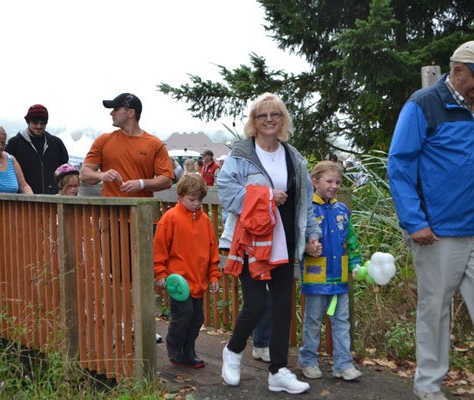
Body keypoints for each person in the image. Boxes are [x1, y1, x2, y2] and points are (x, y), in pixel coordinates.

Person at [388, 40, 474, 400]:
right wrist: (413, 221)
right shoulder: (424, 105)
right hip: (437, 231)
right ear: (456, 71)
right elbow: (400, 165)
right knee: (435, 310)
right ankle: (429, 388)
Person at [217, 92, 321, 394]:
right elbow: (225, 191)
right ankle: (233, 351)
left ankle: (278, 370)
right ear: (254, 121)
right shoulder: (241, 154)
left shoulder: (294, 157)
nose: (269, 120)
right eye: (262, 115)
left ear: (283, 118)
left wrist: (312, 235)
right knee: (256, 304)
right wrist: (264, 196)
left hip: (285, 239)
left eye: (275, 114)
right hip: (251, 240)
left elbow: (304, 203)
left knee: (282, 308)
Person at [298, 160, 363, 381]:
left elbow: (351, 240)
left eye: (338, 181)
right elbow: (297, 240)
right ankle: (308, 360)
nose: (334, 186)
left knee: (341, 321)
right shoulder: (307, 209)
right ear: (315, 181)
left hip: (340, 280)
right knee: (313, 321)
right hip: (316, 278)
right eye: (329, 181)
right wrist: (307, 247)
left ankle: (343, 364)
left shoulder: (342, 210)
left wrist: (355, 264)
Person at [153, 174, 221, 368]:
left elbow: (212, 250)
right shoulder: (170, 218)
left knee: (197, 318)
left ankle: (189, 350)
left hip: (198, 280)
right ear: (180, 195)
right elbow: (160, 248)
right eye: (192, 199)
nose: (196, 203)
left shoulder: (205, 221)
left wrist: (214, 275)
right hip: (178, 282)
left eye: (200, 200)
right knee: (183, 315)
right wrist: (161, 273)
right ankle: (175, 347)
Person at [80, 93, 173, 197]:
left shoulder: (155, 144)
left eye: (115, 109)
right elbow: (84, 174)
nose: (111, 113)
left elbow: (167, 180)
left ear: (130, 113)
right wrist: (101, 175)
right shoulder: (103, 140)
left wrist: (141, 184)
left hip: (141, 211)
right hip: (110, 211)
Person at [5, 104, 69, 194]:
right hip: (24, 201)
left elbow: (66, 172)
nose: (39, 126)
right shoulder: (14, 144)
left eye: (42, 123)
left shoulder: (56, 143)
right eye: (35, 122)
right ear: (28, 122)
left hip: (53, 200)